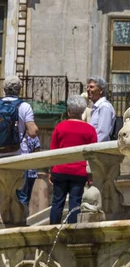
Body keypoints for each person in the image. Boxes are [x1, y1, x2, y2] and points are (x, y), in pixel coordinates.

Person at [49, 94, 97, 224]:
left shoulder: (60, 127)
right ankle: (72, 233)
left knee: (57, 202)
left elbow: (53, 151)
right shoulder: (90, 130)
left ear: (69, 111)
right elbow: (93, 155)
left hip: (60, 169)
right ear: (83, 111)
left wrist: (51, 170)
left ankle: (53, 231)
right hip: (79, 171)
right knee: (75, 203)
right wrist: (91, 174)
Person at [0, 75, 39, 159]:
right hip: (18, 154)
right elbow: (33, 132)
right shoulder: (25, 106)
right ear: (19, 90)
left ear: (4, 89)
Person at [87, 76, 115, 142]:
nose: (88, 89)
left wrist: (90, 147)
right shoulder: (97, 107)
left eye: (91, 87)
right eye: (87, 87)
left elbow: (103, 133)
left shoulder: (104, 107)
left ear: (101, 90)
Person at [15, 134, 41, 208]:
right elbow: (37, 153)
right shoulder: (34, 137)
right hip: (32, 171)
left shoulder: (17, 136)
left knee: (20, 197)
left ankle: (20, 217)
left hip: (20, 171)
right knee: (26, 198)